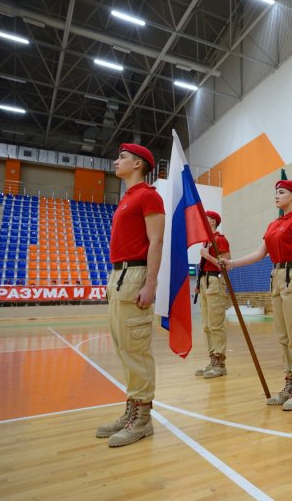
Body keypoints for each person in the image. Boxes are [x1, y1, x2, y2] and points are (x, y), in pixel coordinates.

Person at [221, 180, 292, 411]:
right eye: (275, 192)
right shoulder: (273, 224)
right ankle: (289, 382)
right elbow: (260, 253)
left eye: (281, 192)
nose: (276, 196)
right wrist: (232, 263)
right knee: (282, 335)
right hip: (276, 277)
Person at [95, 143, 165, 447]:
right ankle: (132, 410)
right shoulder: (128, 198)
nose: (116, 161)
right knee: (124, 347)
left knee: (136, 349)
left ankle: (142, 419)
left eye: (122, 157)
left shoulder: (149, 196)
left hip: (135, 275)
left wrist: (150, 285)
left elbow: (156, 241)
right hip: (119, 274)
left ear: (138, 164)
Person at [194, 210, 231, 379]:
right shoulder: (206, 242)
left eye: (206, 218)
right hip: (205, 281)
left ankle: (220, 362)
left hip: (215, 281)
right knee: (207, 325)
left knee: (216, 325)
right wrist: (198, 284)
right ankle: (212, 359)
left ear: (214, 222)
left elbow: (226, 265)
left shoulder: (220, 240)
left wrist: (207, 256)